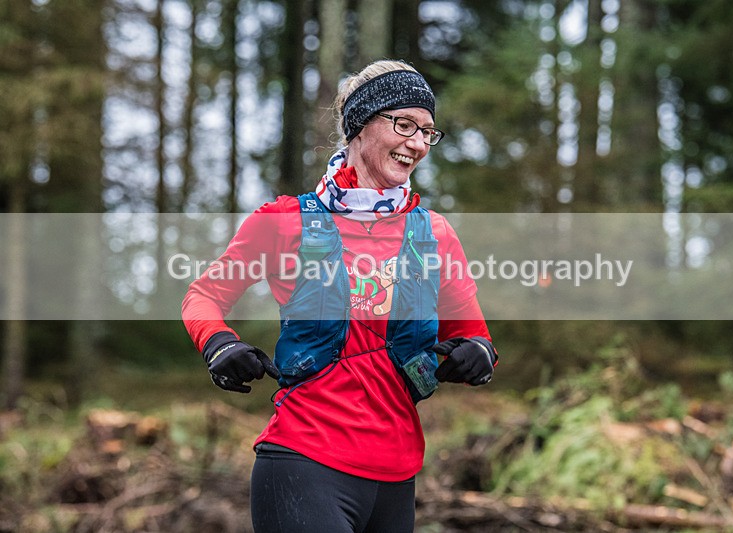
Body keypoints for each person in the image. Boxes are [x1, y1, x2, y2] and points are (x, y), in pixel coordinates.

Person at [182, 59, 498, 533]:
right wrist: (220, 344)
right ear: (361, 125)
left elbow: (475, 335)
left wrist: (477, 354)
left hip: (397, 476)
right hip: (303, 463)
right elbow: (205, 296)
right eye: (404, 124)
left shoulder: (433, 233)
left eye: (427, 131)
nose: (416, 142)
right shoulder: (285, 221)